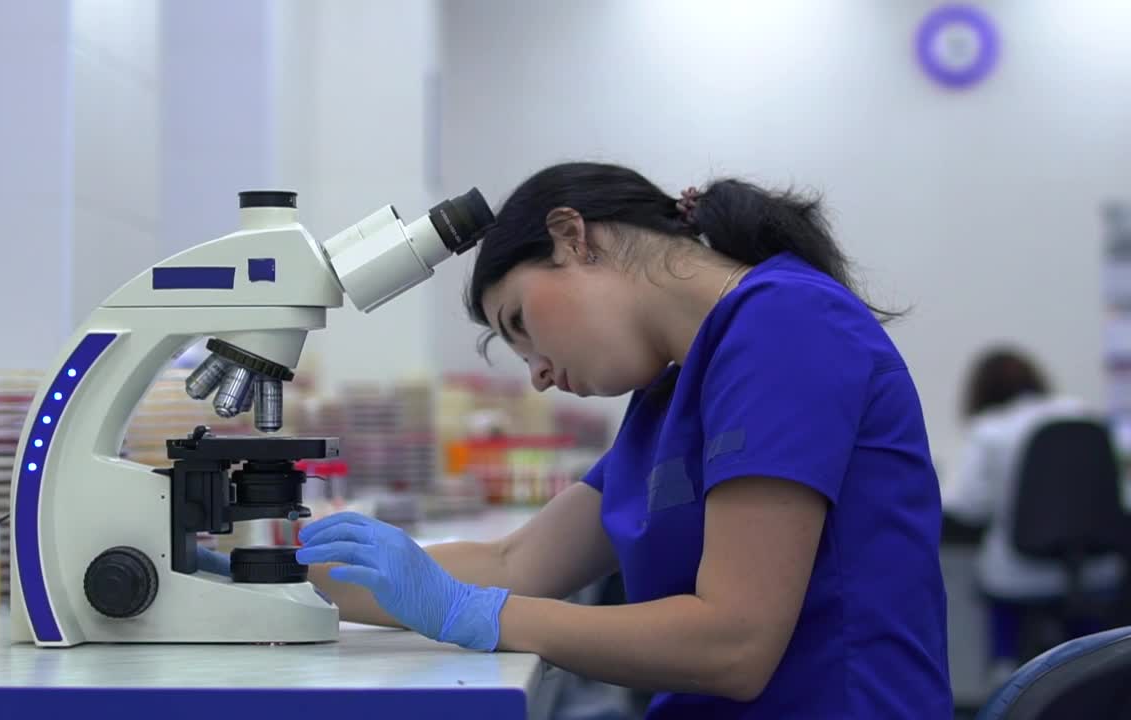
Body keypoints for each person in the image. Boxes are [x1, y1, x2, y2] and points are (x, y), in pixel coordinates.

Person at [207, 162, 953, 717]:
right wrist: (257, 577)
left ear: (572, 238)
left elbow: (735, 643)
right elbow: (518, 560)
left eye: (521, 325)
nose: (534, 375)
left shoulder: (785, 327)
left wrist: (474, 616)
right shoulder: (672, 392)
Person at [942, 347, 1125, 674]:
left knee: (992, 593)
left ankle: (1004, 670)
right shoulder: (1086, 416)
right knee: (1094, 670)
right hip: (1097, 572)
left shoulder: (990, 430)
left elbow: (968, 506)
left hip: (1018, 577)